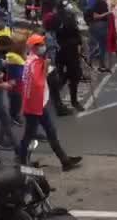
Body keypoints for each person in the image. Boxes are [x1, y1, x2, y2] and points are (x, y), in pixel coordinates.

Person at [17, 35, 83, 170]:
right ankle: (22, 161)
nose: (43, 46)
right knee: (30, 134)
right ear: (34, 47)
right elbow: (37, 83)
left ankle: (65, 160)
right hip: (34, 106)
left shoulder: (32, 61)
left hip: (36, 104)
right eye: (40, 44)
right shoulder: (34, 63)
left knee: (49, 131)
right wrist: (45, 68)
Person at [88, 0, 111, 73]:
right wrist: (107, 13)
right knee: (101, 46)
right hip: (100, 26)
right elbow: (95, 16)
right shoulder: (100, 3)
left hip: (99, 26)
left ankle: (97, 63)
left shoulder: (98, 2)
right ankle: (99, 64)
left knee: (100, 46)